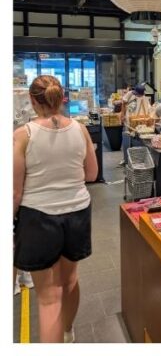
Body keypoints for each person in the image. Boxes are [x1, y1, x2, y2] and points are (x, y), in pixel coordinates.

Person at [13, 76, 98, 343]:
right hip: (77, 212)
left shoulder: (23, 135)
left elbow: (14, 191)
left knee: (48, 297)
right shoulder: (80, 129)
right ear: (62, 98)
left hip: (38, 217)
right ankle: (68, 333)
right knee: (70, 279)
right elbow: (92, 174)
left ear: (31, 101)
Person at [119, 84, 152, 167]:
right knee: (127, 137)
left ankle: (137, 158)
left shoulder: (144, 97)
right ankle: (126, 158)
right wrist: (122, 114)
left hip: (140, 121)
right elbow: (123, 103)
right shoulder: (130, 94)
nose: (138, 95)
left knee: (137, 139)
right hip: (129, 119)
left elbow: (148, 107)